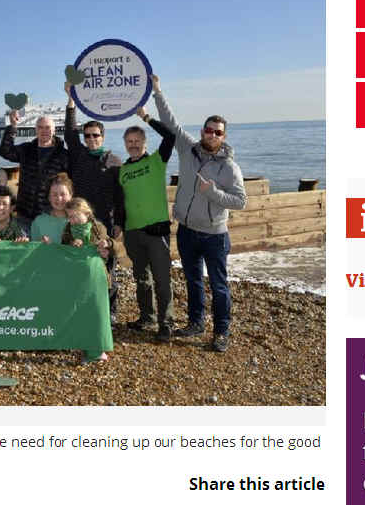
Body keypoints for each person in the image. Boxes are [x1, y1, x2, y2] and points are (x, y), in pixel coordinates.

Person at [152, 75, 247, 352]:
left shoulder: (230, 167)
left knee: (218, 285)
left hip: (215, 235)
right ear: (203, 131)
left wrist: (213, 193)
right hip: (187, 230)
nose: (212, 135)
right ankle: (195, 323)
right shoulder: (187, 149)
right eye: (209, 130)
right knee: (192, 280)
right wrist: (158, 91)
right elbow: (170, 122)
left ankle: (221, 332)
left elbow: (241, 201)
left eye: (218, 132)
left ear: (223, 137)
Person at [113, 105, 177, 341]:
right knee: (142, 278)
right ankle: (147, 317)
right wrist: (118, 224)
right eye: (129, 141)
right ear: (125, 143)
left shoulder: (157, 161)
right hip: (132, 232)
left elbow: (171, 136)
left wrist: (147, 117)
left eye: (137, 140)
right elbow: (120, 202)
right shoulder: (122, 171)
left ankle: (166, 322)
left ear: (145, 143)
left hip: (156, 230)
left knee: (162, 279)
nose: (133, 144)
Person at [63, 83, 123, 320]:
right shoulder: (78, 154)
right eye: (86, 135)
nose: (90, 139)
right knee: (81, 266)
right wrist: (70, 100)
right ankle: (84, 309)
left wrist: (120, 223)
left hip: (104, 223)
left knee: (107, 267)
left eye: (95, 135)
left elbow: (120, 196)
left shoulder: (114, 161)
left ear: (103, 136)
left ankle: (110, 312)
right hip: (79, 221)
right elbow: (69, 132)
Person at [60, 196, 113, 362]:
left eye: (76, 215)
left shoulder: (98, 227)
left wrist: (107, 245)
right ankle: (80, 343)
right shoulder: (68, 229)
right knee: (79, 311)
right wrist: (70, 244)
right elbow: (63, 248)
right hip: (76, 277)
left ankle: (98, 350)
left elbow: (111, 244)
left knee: (97, 312)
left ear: (86, 212)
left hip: (97, 276)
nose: (73, 220)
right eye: (69, 216)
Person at [0, 108, 68, 224]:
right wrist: (12, 126)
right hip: (24, 212)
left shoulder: (63, 154)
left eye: (48, 128)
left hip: (50, 213)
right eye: (40, 127)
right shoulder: (26, 149)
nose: (44, 131)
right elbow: (5, 152)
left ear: (54, 130)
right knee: (22, 242)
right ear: (35, 130)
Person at [31, 172, 74, 243]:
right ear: (49, 197)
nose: (59, 198)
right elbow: (33, 250)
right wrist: (40, 245)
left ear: (71, 195)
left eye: (63, 194)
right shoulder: (39, 222)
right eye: (54, 194)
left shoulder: (79, 221)